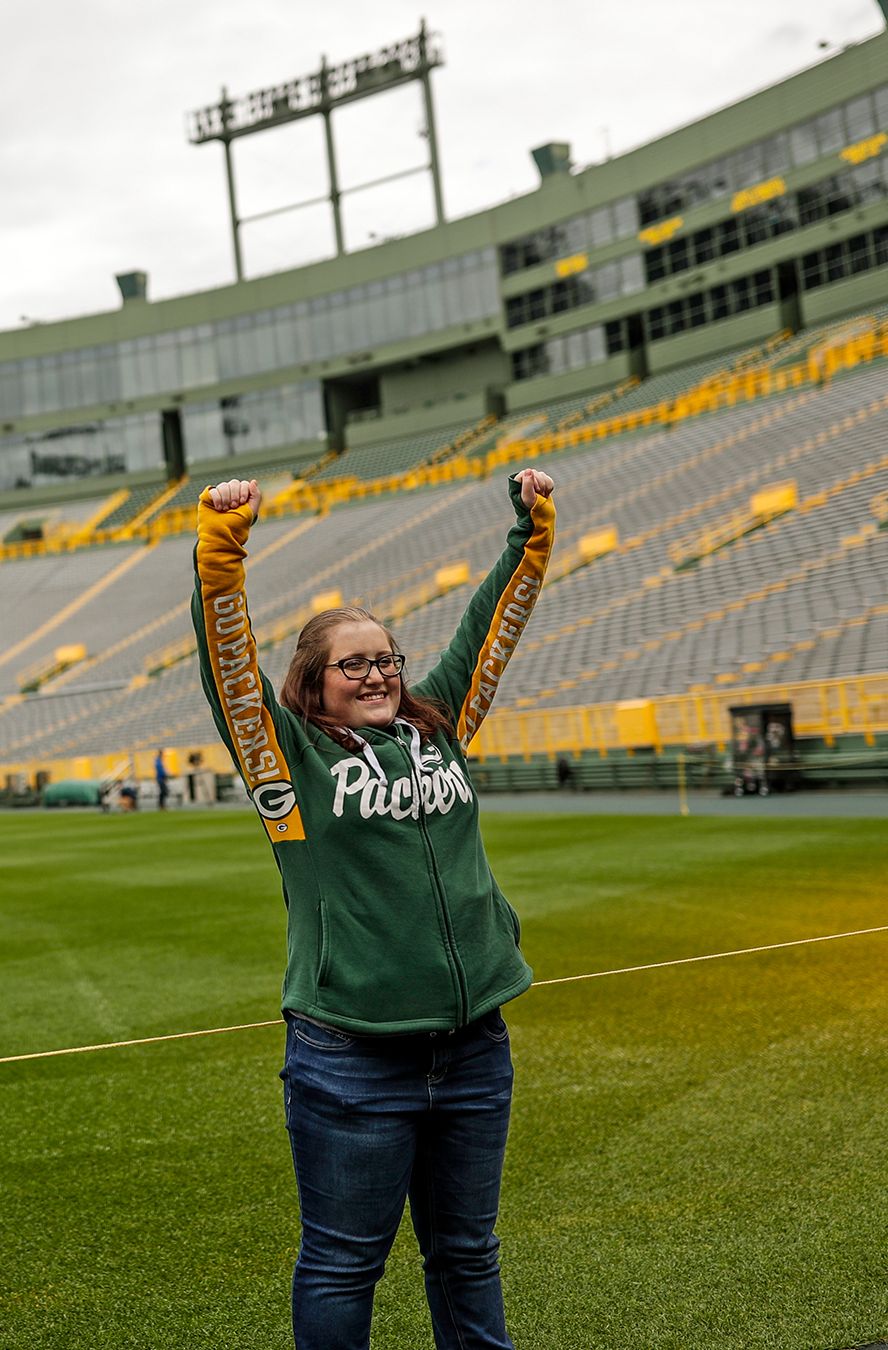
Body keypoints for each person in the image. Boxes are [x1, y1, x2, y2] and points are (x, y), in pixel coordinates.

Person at [191, 468, 556, 1350]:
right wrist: (220, 550)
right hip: (352, 1056)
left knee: (468, 1253)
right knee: (343, 1263)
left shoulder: (440, 729)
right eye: (351, 663)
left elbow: (488, 632)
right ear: (310, 686)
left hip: (473, 1044)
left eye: (386, 657)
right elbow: (227, 664)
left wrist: (530, 533)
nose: (377, 672)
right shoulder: (287, 766)